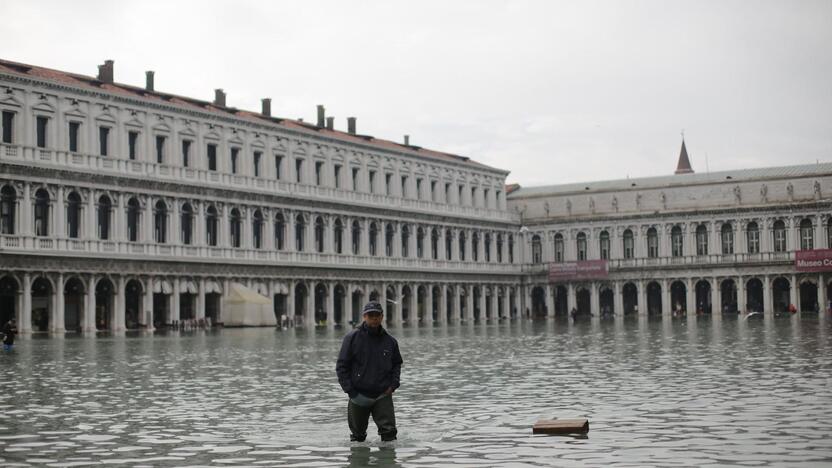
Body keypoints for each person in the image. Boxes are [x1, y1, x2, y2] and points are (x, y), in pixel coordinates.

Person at [336, 301, 403, 442]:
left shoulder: (391, 341)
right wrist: (350, 391)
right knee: (357, 437)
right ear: (364, 317)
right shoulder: (351, 338)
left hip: (383, 395)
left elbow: (397, 364)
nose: (374, 318)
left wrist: (393, 385)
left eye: (377, 315)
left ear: (382, 317)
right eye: (370, 315)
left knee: (389, 435)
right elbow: (342, 366)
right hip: (358, 395)